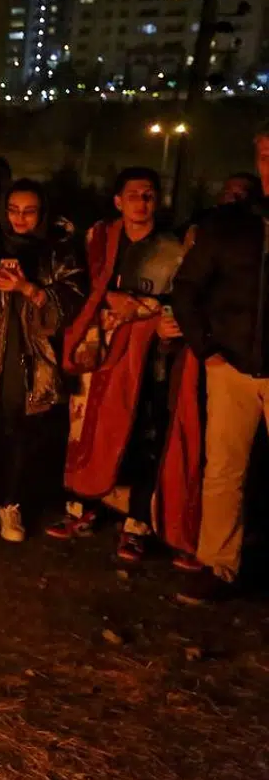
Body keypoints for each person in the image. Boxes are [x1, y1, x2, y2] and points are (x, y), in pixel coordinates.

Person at [53, 168, 195, 565]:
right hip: (95, 352)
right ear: (118, 201)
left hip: (146, 357)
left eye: (149, 195)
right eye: (133, 195)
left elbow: (181, 301)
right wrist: (111, 301)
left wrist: (147, 312)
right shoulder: (98, 240)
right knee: (87, 428)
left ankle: (136, 524)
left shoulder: (172, 251)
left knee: (140, 431)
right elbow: (80, 287)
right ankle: (82, 505)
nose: (141, 202)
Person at [170, 123, 269, 604]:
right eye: (267, 154)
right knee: (224, 469)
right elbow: (186, 287)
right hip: (230, 362)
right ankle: (217, 564)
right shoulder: (230, 226)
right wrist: (205, 347)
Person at [0, 180, 84, 542]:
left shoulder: (57, 251)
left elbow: (73, 296)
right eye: (13, 210)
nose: (20, 218)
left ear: (42, 213)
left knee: (22, 431)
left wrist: (28, 289)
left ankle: (12, 504)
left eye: (29, 211)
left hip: (31, 352)